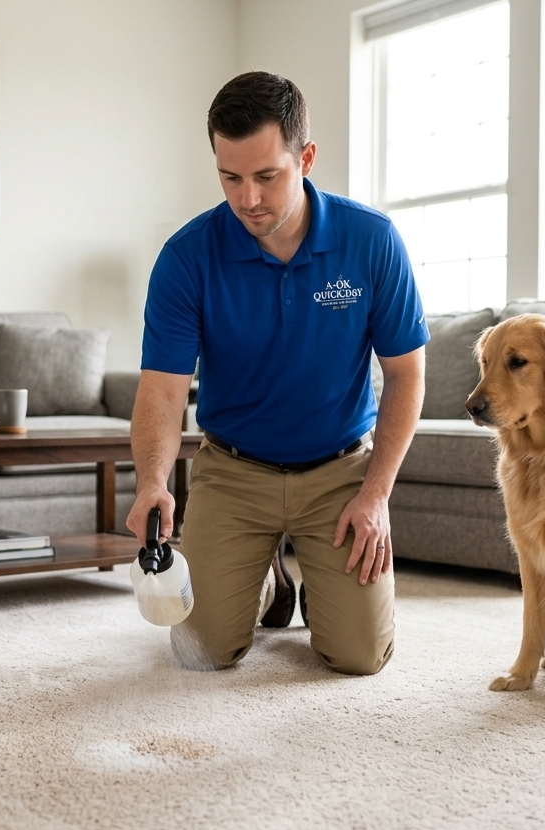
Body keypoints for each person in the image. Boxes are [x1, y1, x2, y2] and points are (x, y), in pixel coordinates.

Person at [127, 71, 428, 676]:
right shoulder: (187, 257)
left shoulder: (371, 241)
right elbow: (161, 389)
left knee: (360, 656)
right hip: (233, 473)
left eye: (267, 176)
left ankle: (323, 580)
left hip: (340, 472)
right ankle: (265, 581)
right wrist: (152, 481)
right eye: (230, 177)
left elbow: (406, 376)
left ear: (306, 158)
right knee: (200, 652)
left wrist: (375, 496)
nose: (248, 199)